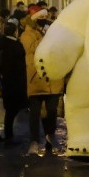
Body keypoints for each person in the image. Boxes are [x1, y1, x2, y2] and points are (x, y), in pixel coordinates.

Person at [20, 9, 64, 156]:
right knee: (35, 112)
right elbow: (31, 49)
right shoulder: (27, 34)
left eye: (46, 17)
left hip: (52, 77)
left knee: (52, 110)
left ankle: (50, 135)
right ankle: (34, 140)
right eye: (42, 18)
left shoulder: (50, 31)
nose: (45, 20)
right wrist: (45, 36)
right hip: (36, 78)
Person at [0, 22, 28, 145]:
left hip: (6, 80)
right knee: (13, 109)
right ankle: (8, 134)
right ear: (15, 32)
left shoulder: (2, 44)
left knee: (10, 109)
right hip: (16, 81)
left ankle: (8, 133)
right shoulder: (16, 46)